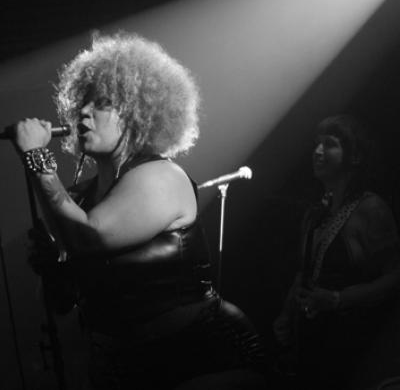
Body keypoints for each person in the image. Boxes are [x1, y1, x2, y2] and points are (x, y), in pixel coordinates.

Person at [13, 32, 266, 389]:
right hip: (124, 368)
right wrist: (52, 265)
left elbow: (89, 237)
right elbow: (62, 303)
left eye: (102, 103)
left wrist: (37, 158)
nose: (83, 112)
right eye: (81, 102)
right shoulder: (79, 197)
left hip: (202, 360)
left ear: (137, 114)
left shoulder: (161, 176)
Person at [273, 114, 400, 389]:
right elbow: (305, 273)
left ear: (354, 155)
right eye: (316, 143)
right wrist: (286, 315)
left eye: (329, 144)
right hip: (313, 345)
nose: (317, 150)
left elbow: (399, 275)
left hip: (354, 348)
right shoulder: (314, 214)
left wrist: (338, 299)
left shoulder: (370, 208)